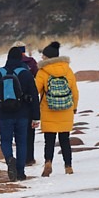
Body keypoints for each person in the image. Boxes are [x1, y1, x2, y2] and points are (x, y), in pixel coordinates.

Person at [0, 46, 40, 181]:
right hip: (23, 114)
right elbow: (34, 95)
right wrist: (35, 117)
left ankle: (10, 159)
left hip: (4, 114)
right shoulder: (26, 73)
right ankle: (20, 172)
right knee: (22, 142)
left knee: (6, 141)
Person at [35, 41, 79, 176]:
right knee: (65, 140)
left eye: (43, 56)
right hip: (66, 109)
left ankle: (48, 163)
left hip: (49, 110)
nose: (42, 58)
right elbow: (74, 91)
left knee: (49, 140)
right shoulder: (68, 70)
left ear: (48, 57)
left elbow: (35, 89)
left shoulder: (42, 72)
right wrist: (74, 107)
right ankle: (68, 166)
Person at [14, 40, 39, 167]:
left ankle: (20, 158)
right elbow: (37, 76)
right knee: (30, 130)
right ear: (24, 49)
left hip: (15, 101)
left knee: (18, 130)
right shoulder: (31, 62)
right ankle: (30, 158)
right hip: (30, 99)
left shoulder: (11, 63)